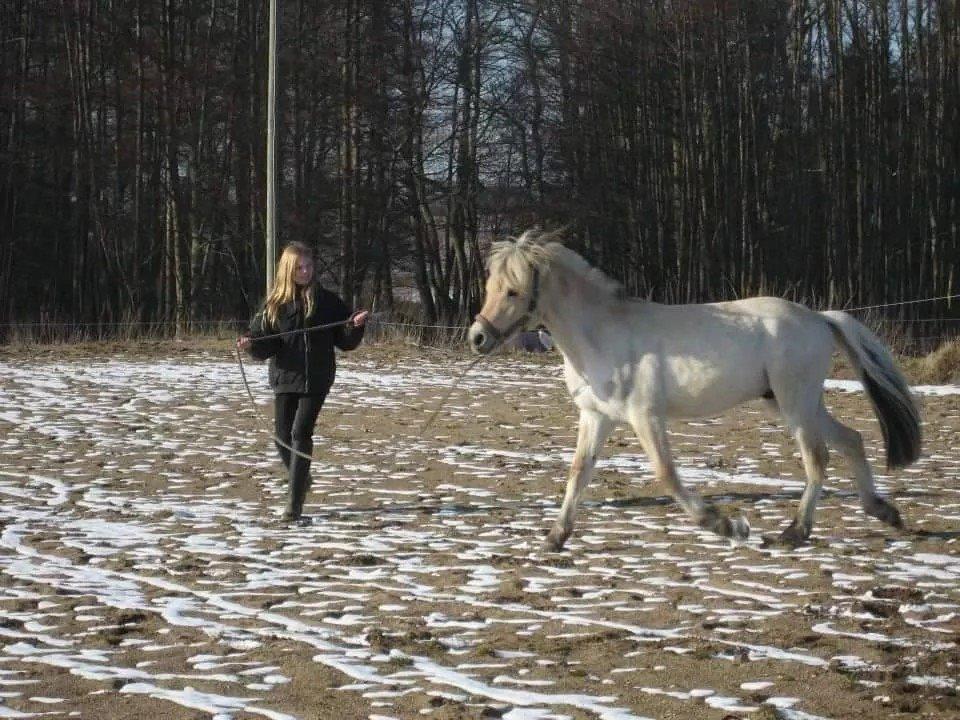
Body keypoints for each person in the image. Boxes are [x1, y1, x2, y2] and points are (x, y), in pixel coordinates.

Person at [237, 241, 369, 523]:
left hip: (317, 379)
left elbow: (344, 341)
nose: (306, 271)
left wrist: (354, 326)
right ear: (288, 269)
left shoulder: (328, 302)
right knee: (282, 437)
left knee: (300, 434)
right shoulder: (274, 305)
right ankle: (302, 477)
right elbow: (265, 345)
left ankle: (293, 505)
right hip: (285, 378)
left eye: (309, 266)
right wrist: (250, 344)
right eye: (300, 267)